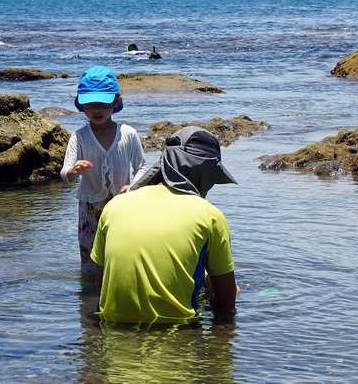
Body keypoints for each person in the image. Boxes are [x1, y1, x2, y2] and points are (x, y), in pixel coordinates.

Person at [90, 126, 240, 324]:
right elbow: (226, 300)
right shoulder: (209, 216)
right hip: (179, 336)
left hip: (113, 333)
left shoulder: (114, 205)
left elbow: (102, 287)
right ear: (206, 173)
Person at [60, 65, 148, 279]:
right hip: (90, 208)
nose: (96, 110)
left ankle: (118, 288)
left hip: (122, 205)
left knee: (121, 253)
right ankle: (90, 302)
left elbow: (143, 167)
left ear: (116, 102)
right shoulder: (79, 137)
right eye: (90, 104)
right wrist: (73, 170)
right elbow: (64, 174)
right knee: (89, 258)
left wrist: (133, 186)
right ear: (81, 105)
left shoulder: (128, 134)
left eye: (102, 103)